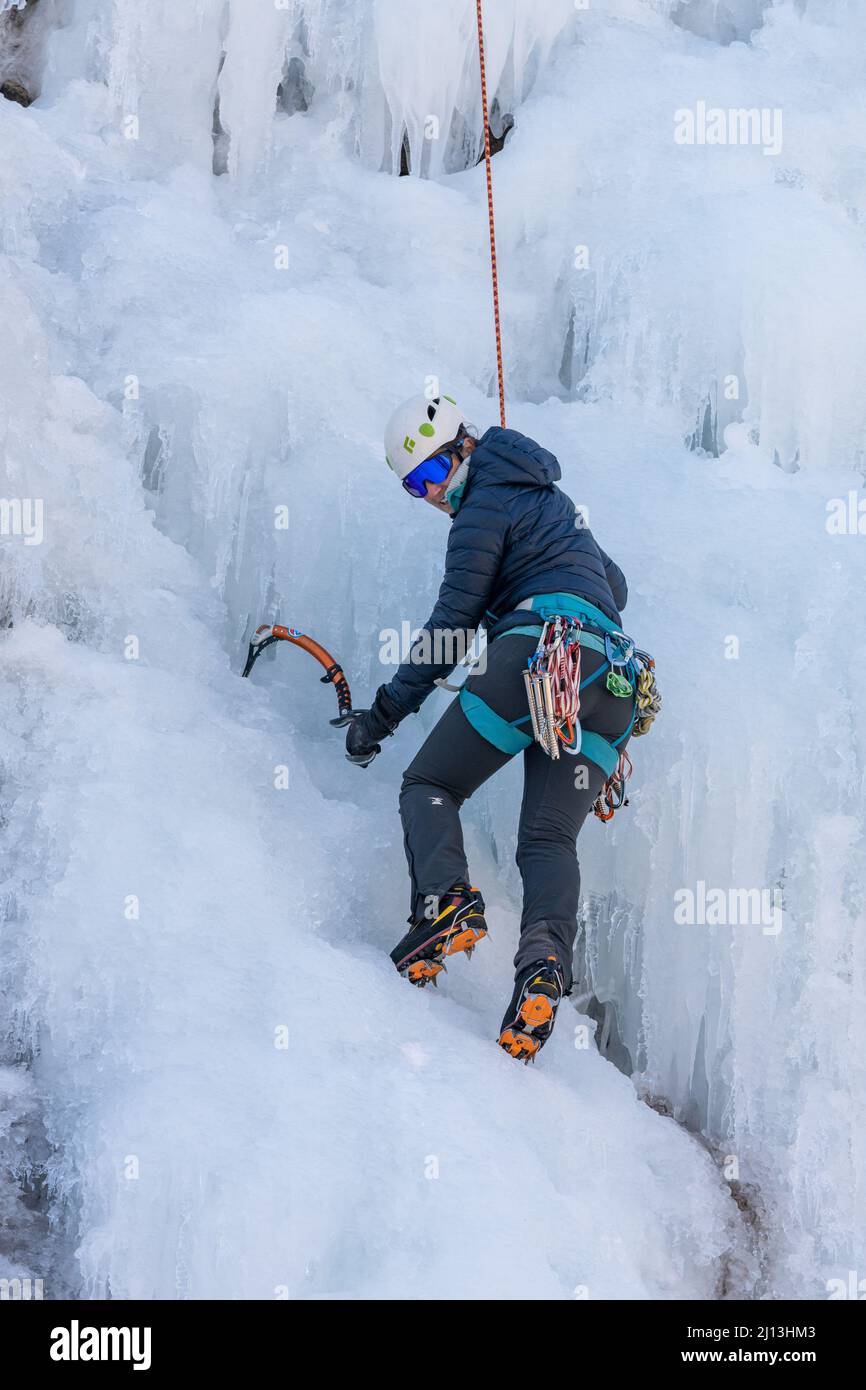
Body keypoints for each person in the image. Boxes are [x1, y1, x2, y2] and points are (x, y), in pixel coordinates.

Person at [346, 392, 635, 1062]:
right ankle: (541, 971)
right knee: (547, 839)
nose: (430, 494)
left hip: (538, 656)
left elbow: (451, 627)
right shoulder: (544, 496)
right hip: (611, 682)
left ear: (461, 446)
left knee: (430, 783)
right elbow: (613, 586)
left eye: (432, 474)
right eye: (414, 486)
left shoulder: (482, 506)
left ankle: (444, 904)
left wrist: (383, 715)